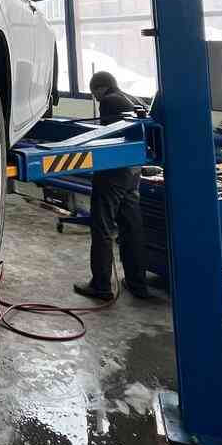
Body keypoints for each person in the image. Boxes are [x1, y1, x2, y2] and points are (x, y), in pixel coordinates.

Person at [72, 70, 149, 302]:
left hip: (113, 173)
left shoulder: (109, 101)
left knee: (102, 227)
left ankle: (101, 285)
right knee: (132, 228)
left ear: (100, 88)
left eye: (94, 93)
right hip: (133, 172)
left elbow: (107, 137)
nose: (95, 98)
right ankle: (137, 284)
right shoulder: (132, 98)